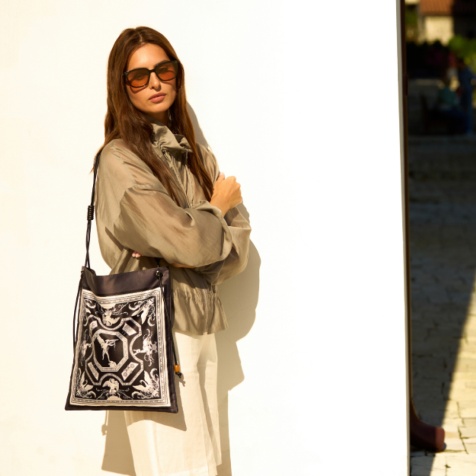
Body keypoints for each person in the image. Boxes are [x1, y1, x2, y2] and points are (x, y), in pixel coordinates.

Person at [95, 26, 251, 476]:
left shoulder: (196, 155)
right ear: (122, 87)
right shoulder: (121, 160)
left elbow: (236, 244)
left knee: (202, 463)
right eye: (139, 76)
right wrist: (213, 212)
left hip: (200, 325)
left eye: (164, 70)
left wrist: (197, 241)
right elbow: (188, 242)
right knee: (173, 466)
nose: (155, 82)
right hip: (152, 332)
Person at [456, 57, 476, 135]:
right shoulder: (460, 71)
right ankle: (463, 129)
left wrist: (471, 89)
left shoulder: (467, 71)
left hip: (467, 93)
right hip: (462, 93)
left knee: (468, 111)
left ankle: (469, 129)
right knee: (462, 110)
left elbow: (474, 79)